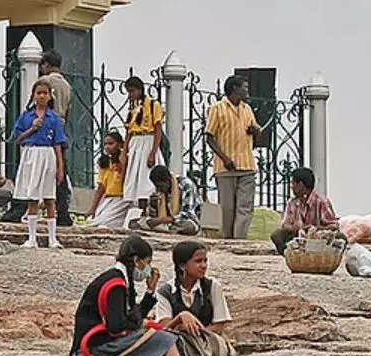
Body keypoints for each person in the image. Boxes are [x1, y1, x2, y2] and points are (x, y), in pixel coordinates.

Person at [72, 235, 211, 356]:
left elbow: (132, 315)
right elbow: (117, 325)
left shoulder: (121, 280)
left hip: (101, 339)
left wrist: (150, 291)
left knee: (160, 338)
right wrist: (140, 324)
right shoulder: (116, 284)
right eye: (147, 263)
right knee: (167, 339)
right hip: (95, 345)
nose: (147, 269)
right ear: (136, 261)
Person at [155, 241, 243, 356]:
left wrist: (197, 335)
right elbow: (165, 327)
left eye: (205, 261)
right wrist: (181, 318)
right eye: (198, 261)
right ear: (182, 265)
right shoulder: (166, 291)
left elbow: (218, 325)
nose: (204, 266)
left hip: (206, 342)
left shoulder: (211, 287)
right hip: (178, 343)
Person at [12, 76, 68, 249]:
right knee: (33, 197)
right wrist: (32, 128)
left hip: (47, 154)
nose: (42, 96)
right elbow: (17, 139)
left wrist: (60, 168)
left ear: (50, 96)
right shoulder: (26, 116)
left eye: (45, 93)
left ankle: (52, 238)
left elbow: (58, 144)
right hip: (31, 153)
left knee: (49, 197)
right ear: (34, 96)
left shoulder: (54, 119)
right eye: (39, 93)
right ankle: (31, 237)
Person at [204, 75, 261, 241]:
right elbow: (209, 137)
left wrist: (255, 131)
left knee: (245, 208)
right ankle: (228, 240)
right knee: (227, 209)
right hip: (225, 167)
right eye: (244, 87)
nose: (247, 91)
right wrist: (224, 158)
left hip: (247, 165)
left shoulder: (247, 109)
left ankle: (240, 240)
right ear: (235, 89)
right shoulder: (217, 109)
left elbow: (256, 131)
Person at [29, 50, 80, 227]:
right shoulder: (67, 85)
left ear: (46, 65)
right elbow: (69, 111)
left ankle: (29, 207)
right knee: (60, 171)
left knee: (39, 169)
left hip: (46, 127)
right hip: (61, 127)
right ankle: (63, 210)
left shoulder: (45, 83)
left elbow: (34, 106)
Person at [270, 166, 337, 254]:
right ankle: (290, 256)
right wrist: (294, 228)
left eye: (293, 183)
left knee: (340, 237)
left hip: (318, 238)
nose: (291, 187)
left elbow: (334, 226)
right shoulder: (292, 202)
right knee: (277, 235)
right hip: (297, 237)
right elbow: (285, 224)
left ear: (300, 185)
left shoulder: (321, 201)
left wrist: (315, 229)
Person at [121, 76, 165, 197]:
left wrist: (153, 152)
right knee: (133, 174)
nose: (130, 95)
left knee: (146, 176)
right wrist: (124, 151)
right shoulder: (133, 108)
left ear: (139, 90)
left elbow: (158, 130)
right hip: (135, 142)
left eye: (132, 91)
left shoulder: (153, 105)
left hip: (148, 141)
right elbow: (128, 132)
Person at [135, 164, 202, 236]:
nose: (158, 189)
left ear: (168, 181)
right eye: (156, 186)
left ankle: (171, 230)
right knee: (136, 224)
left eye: (160, 186)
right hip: (165, 224)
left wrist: (166, 219)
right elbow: (152, 216)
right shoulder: (159, 192)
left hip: (182, 221)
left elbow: (188, 213)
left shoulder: (186, 185)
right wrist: (152, 209)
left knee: (188, 226)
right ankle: (168, 230)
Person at [88, 131, 135, 228]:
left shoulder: (125, 160)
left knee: (103, 222)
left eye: (111, 144)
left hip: (122, 199)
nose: (107, 147)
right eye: (105, 144)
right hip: (108, 199)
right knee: (94, 221)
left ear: (119, 144)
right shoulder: (104, 162)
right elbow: (101, 188)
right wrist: (93, 208)